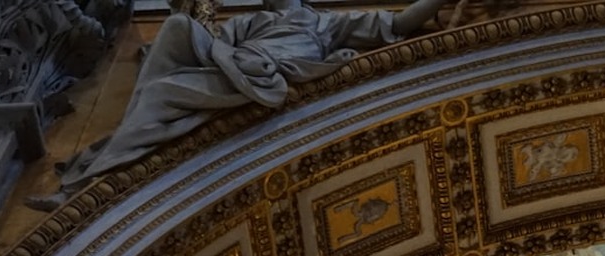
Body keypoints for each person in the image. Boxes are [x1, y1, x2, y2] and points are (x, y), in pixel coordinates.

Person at [27, 0, 471, 208]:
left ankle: (88, 184)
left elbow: (401, 21)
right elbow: (214, 45)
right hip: (231, 68)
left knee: (160, 94)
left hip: (267, 75)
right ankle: (96, 173)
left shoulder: (328, 23)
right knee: (177, 29)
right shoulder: (253, 20)